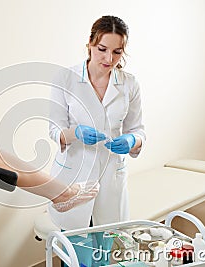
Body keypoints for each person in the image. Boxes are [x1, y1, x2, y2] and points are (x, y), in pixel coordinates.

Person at [48, 15, 146, 231]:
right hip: (74, 174)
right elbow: (54, 129)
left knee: (105, 245)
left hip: (111, 172)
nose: (109, 58)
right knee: (73, 246)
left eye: (117, 52)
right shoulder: (65, 78)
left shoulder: (129, 83)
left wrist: (132, 140)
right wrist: (75, 133)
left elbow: (138, 130)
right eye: (102, 49)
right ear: (90, 44)